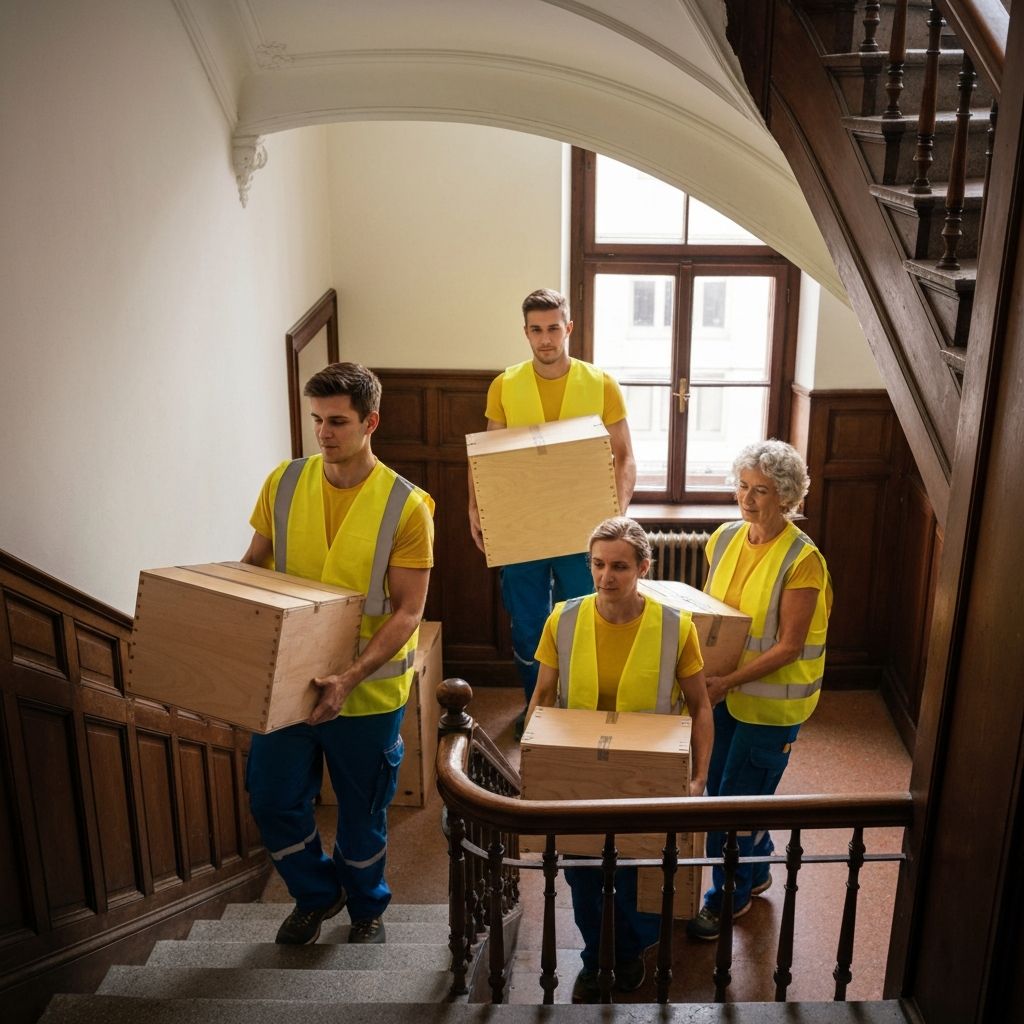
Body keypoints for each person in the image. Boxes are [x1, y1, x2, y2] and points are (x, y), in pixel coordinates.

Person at [241, 362, 434, 946]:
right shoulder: (283, 481)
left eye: (339, 422)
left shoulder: (408, 506)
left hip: (367, 693)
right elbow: (253, 568)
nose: (324, 433)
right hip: (288, 686)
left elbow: (407, 610)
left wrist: (348, 678)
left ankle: (366, 907)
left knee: (362, 814)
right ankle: (316, 895)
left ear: (370, 421)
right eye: (317, 420)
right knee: (273, 800)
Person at [526, 516, 713, 1003]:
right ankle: (599, 957)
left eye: (620, 567)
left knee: (634, 873)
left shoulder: (677, 627)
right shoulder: (562, 618)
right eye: (598, 565)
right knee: (582, 872)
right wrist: (535, 766)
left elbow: (701, 706)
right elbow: (543, 695)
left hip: (646, 775)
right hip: (578, 773)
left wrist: (698, 778)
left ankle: (629, 949)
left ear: (643, 568)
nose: (607, 577)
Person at [468, 288, 637, 738]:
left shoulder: (601, 384)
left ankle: (577, 712)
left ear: (569, 328)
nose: (546, 339)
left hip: (585, 533)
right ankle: (535, 705)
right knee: (527, 627)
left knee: (584, 621)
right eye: (536, 330)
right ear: (525, 332)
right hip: (522, 531)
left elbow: (624, 457)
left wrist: (616, 517)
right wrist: (475, 508)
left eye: (553, 328)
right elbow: (486, 456)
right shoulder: (505, 384)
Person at [686, 440, 832, 942]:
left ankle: (729, 897)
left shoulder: (803, 559)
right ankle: (757, 866)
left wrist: (725, 681)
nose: (747, 499)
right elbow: (717, 620)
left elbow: (790, 646)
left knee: (732, 805)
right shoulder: (724, 538)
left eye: (762, 491)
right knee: (730, 794)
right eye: (743, 487)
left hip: (771, 707)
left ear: (786, 496)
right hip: (724, 696)